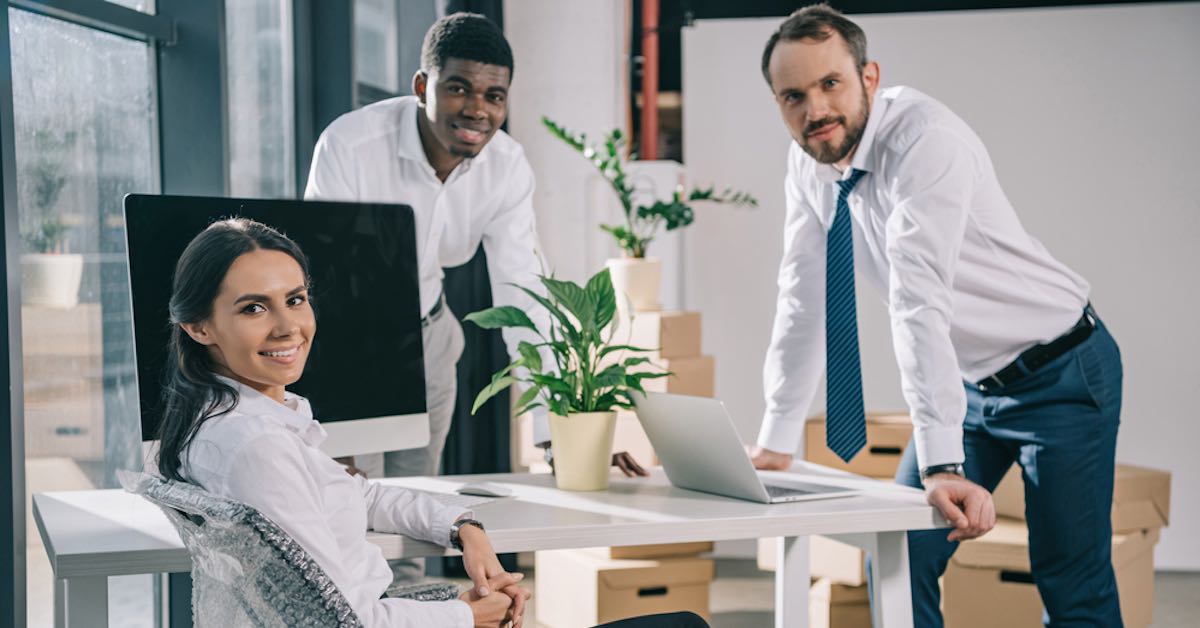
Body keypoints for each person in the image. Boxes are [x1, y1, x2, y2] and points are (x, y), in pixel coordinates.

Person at [749, 5, 1123, 627]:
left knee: (1067, 576)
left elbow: (918, 301)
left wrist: (943, 465)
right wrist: (777, 440)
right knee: (898, 550)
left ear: (869, 77)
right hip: (970, 387)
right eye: (793, 95)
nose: (814, 109)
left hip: (1060, 371)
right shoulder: (810, 161)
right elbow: (801, 293)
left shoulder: (926, 142)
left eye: (830, 84)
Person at [154, 217, 706, 628]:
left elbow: (358, 495)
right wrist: (469, 617)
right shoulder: (257, 446)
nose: (288, 327)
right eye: (254, 308)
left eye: (295, 300)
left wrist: (462, 526)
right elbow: (339, 621)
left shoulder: (229, 418)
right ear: (200, 326)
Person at [303, 12, 645, 487]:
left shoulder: (506, 167)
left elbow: (523, 292)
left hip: (430, 335)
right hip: (352, 341)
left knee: (415, 509)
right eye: (459, 88)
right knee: (353, 508)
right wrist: (335, 423)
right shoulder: (350, 145)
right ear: (423, 87)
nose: (476, 109)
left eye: (494, 96)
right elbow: (326, 285)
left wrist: (554, 435)